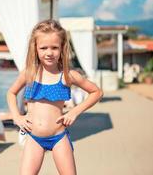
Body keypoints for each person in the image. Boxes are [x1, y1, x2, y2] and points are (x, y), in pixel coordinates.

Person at [7, 19, 103, 175]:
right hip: (33, 137)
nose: (49, 52)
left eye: (54, 47)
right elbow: (11, 93)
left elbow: (97, 92)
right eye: (43, 48)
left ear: (62, 48)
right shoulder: (29, 73)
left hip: (58, 137)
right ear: (35, 48)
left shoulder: (68, 75)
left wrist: (74, 112)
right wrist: (16, 117)